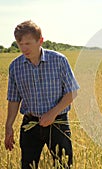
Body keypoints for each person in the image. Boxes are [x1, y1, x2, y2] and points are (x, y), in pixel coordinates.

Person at [4, 20, 80, 169]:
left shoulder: (58, 60)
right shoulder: (15, 66)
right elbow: (14, 100)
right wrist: (9, 126)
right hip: (30, 125)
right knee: (28, 166)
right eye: (20, 44)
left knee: (64, 166)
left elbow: (72, 91)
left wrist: (52, 113)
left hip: (58, 124)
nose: (24, 48)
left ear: (40, 41)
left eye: (28, 43)